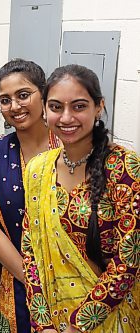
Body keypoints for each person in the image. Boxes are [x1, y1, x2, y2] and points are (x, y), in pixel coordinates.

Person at [22, 64, 139, 333]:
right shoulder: (38, 169)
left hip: (111, 319)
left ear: (99, 107)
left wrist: (80, 325)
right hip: (52, 319)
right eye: (55, 107)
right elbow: (30, 249)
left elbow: (129, 258)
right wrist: (43, 322)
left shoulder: (124, 167)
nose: (66, 118)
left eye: (78, 106)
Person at [0, 59, 60, 333]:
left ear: (44, 94)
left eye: (23, 95)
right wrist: (32, 279)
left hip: (68, 278)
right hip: (11, 275)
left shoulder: (68, 147)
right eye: (5, 100)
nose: (14, 106)